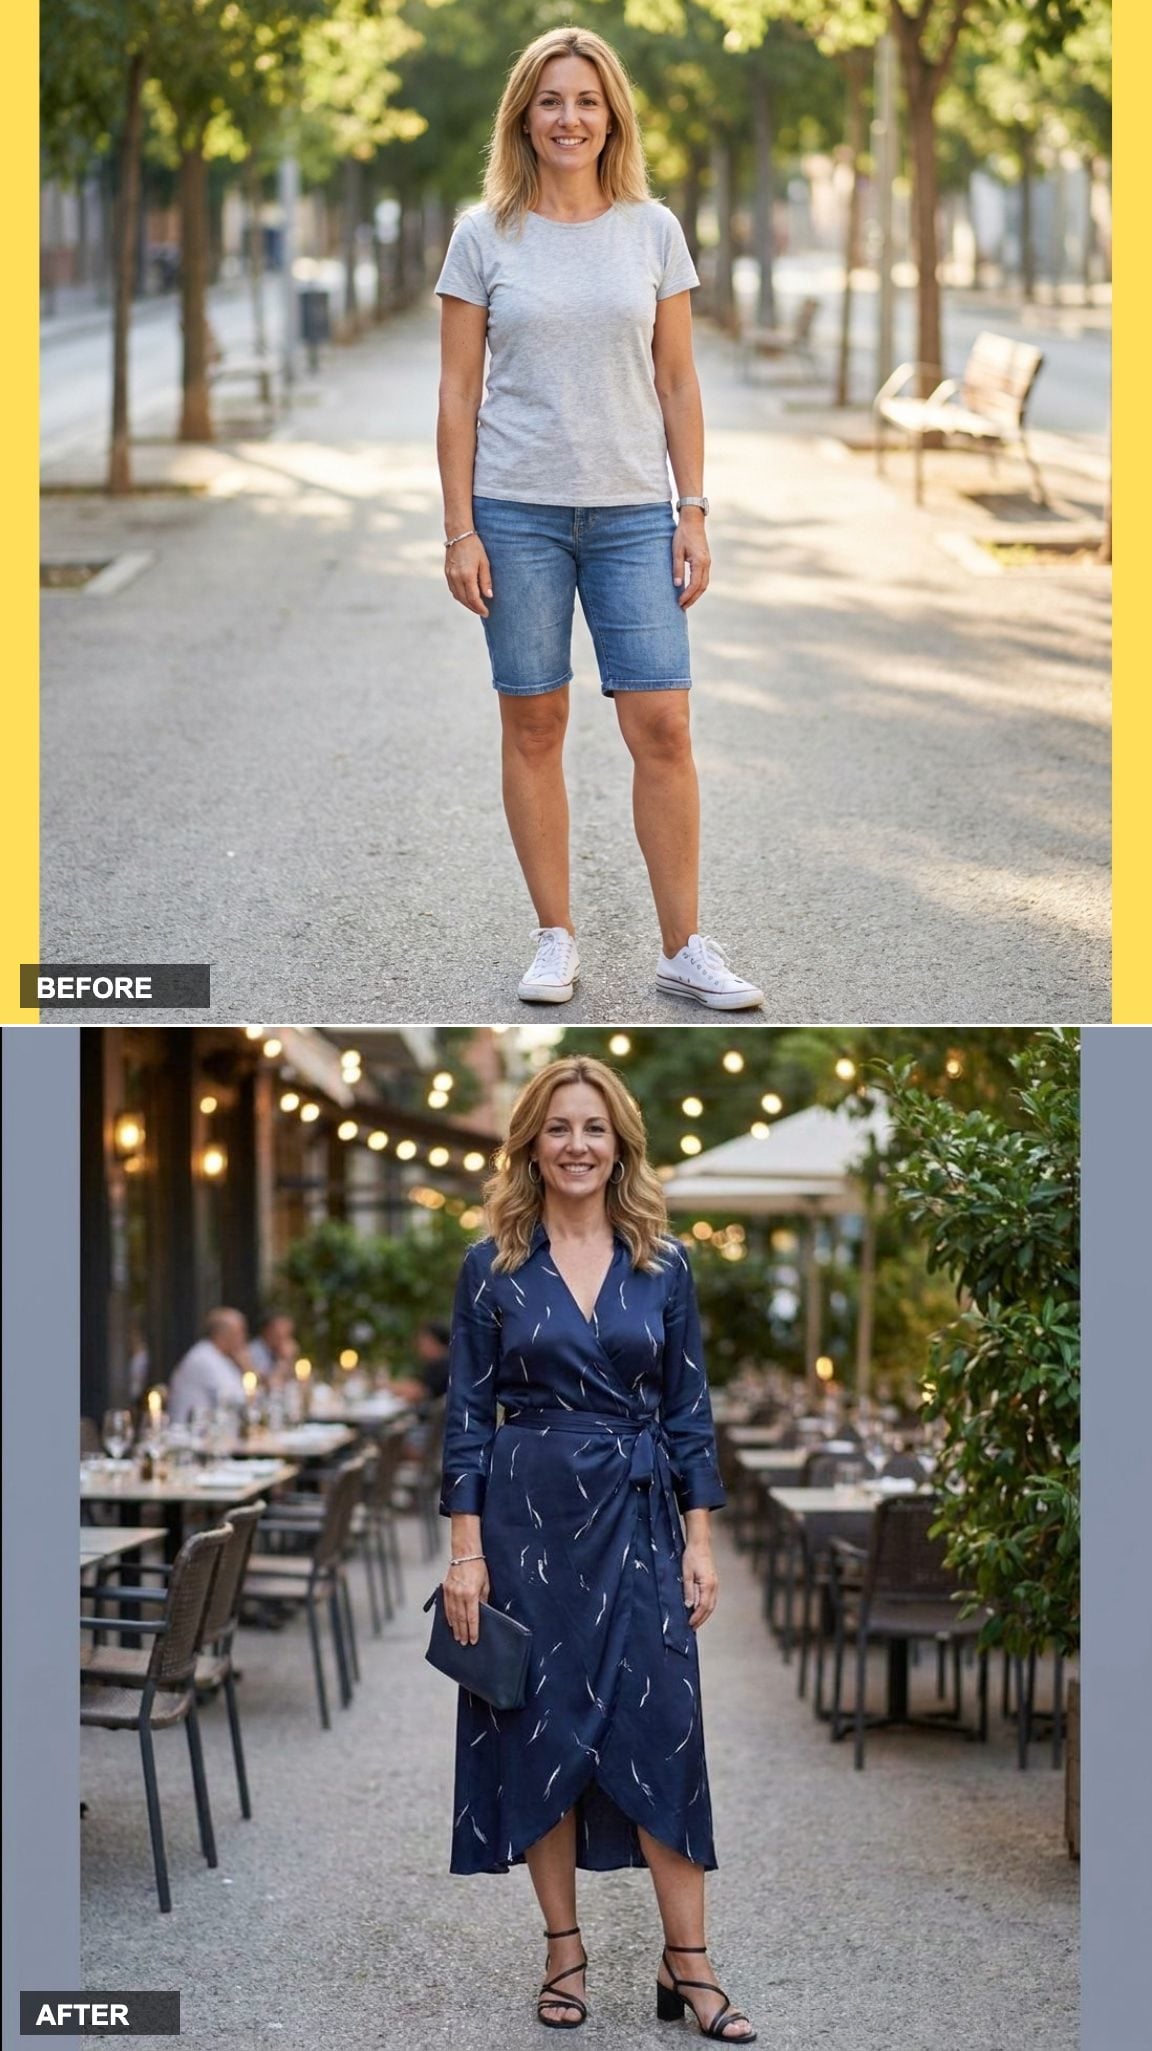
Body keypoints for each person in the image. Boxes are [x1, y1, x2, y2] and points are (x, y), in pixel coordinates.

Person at [436, 26, 763, 1015]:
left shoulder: (652, 230)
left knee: (661, 723)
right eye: (550, 101)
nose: (569, 118)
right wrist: (461, 528)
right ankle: (554, 936)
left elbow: (678, 379)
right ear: (523, 118)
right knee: (534, 719)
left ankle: (685, 945)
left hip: (631, 512)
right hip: (516, 510)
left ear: (611, 113)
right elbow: (456, 392)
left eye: (586, 100)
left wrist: (693, 508)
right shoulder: (483, 233)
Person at [439, 1056, 756, 2040]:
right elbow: (465, 1416)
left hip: (640, 1518)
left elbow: (689, 1409)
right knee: (539, 1730)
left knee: (664, 1724)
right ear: (530, 1140)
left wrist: (700, 1537)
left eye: (595, 1127)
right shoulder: (491, 1262)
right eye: (559, 1126)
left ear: (620, 1144)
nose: (577, 1143)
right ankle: (564, 1950)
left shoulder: (662, 1262)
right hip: (526, 1527)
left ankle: (688, 1961)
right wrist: (464, 1550)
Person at [167, 1308, 251, 1423]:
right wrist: (247, 1367)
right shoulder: (204, 1358)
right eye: (240, 1332)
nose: (243, 1339)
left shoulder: (221, 1358)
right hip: (188, 1435)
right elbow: (236, 1401)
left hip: (207, 1432)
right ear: (224, 1335)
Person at [390, 1319, 452, 1409]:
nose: (419, 1346)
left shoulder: (445, 1365)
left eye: (423, 1342)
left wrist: (388, 1386)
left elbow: (418, 1393)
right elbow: (418, 1383)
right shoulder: (433, 1364)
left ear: (435, 1342)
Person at [247, 1311, 297, 1387]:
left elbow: (292, 1381)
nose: (287, 1340)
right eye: (283, 1334)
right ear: (268, 1330)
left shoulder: (275, 1351)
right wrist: (285, 1360)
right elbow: (271, 1384)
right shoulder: (253, 1352)